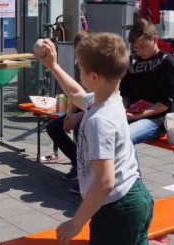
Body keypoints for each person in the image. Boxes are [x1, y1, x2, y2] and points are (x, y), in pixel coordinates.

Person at [35, 34, 153, 245]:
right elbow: (76, 93)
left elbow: (105, 181)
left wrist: (76, 223)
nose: (79, 73)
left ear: (95, 77)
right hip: (131, 199)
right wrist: (53, 66)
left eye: (80, 69)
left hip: (117, 210)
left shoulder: (100, 122)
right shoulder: (107, 100)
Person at [120, 18, 174, 145]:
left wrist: (138, 116)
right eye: (135, 48)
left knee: (124, 139)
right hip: (132, 114)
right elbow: (125, 94)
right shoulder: (131, 61)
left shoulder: (167, 62)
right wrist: (122, 109)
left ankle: (131, 166)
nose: (139, 51)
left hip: (157, 119)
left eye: (143, 46)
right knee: (98, 130)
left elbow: (165, 103)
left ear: (155, 39)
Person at [45, 31, 91, 189]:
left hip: (96, 109)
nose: (81, 54)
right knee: (53, 127)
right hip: (83, 105)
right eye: (78, 50)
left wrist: (79, 117)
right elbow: (78, 93)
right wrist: (71, 113)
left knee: (80, 128)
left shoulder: (99, 65)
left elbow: (101, 101)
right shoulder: (79, 64)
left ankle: (86, 175)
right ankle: (77, 164)